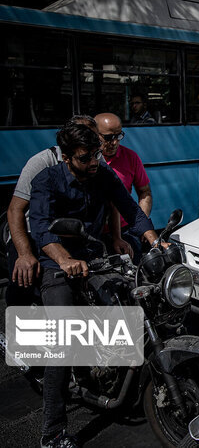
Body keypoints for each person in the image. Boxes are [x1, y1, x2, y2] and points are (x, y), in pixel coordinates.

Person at [30, 122, 161, 448]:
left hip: (94, 257)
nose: (93, 163)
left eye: (96, 155)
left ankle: (115, 373)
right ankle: (52, 432)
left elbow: (131, 207)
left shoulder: (102, 175)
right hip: (56, 265)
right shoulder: (46, 180)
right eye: (84, 158)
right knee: (62, 342)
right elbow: (42, 229)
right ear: (65, 157)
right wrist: (63, 259)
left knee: (133, 299)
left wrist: (154, 240)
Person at [5, 116, 130, 306]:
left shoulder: (95, 160)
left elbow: (112, 203)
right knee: (24, 276)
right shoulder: (41, 162)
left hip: (72, 236)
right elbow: (15, 210)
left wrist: (116, 237)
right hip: (30, 233)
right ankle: (14, 328)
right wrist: (24, 254)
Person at [95, 112, 152, 262]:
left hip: (126, 231)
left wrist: (140, 226)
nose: (114, 142)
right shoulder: (88, 161)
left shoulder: (131, 157)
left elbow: (144, 192)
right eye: (108, 138)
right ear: (94, 134)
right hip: (94, 234)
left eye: (118, 136)